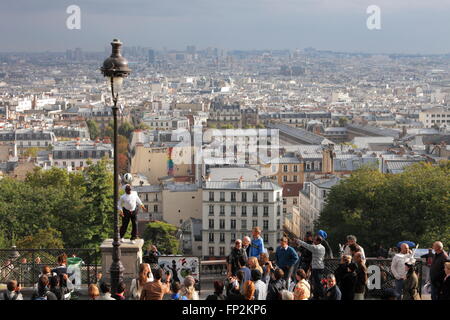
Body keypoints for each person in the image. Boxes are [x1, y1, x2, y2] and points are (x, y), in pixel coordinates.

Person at [296, 235, 325, 300]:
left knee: (317, 283)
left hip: (316, 268)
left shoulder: (316, 248)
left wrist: (298, 241)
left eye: (315, 240)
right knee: (316, 282)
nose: (313, 241)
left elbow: (306, 245)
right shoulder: (323, 247)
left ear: (318, 241)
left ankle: (321, 296)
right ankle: (317, 296)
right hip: (320, 267)